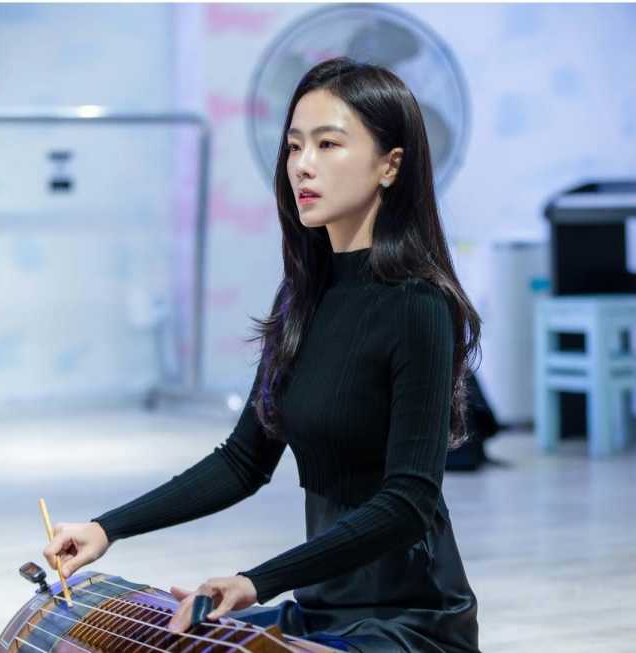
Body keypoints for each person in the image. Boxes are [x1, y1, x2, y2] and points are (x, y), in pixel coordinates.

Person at [43, 57, 483, 653]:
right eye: (294, 146)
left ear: (390, 165)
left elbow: (408, 503)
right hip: (320, 611)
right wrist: (106, 528)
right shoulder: (303, 297)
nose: (302, 164)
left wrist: (257, 581)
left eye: (329, 144)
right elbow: (243, 462)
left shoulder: (420, 305)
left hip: (409, 623)